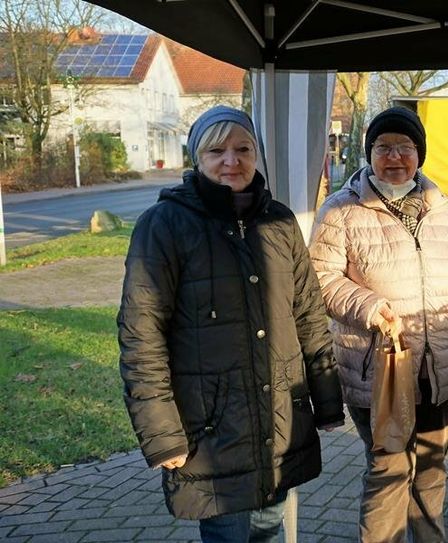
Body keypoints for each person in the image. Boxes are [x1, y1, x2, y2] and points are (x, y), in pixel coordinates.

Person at [118, 105, 344, 542]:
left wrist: (327, 398)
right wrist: (162, 431)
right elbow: (141, 335)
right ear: (197, 157)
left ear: (256, 154)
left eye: (243, 149)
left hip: (278, 420)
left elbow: (309, 315)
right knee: (228, 534)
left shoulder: (279, 222)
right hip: (211, 428)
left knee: (267, 526)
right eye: (216, 150)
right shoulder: (163, 226)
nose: (231, 160)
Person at [308, 106, 448, 543]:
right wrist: (367, 304)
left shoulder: (443, 208)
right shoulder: (342, 210)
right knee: (389, 470)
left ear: (419, 154)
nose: (395, 157)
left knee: (430, 466)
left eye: (405, 147)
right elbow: (318, 279)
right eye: (383, 147)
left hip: (441, 367)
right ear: (369, 153)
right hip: (379, 370)